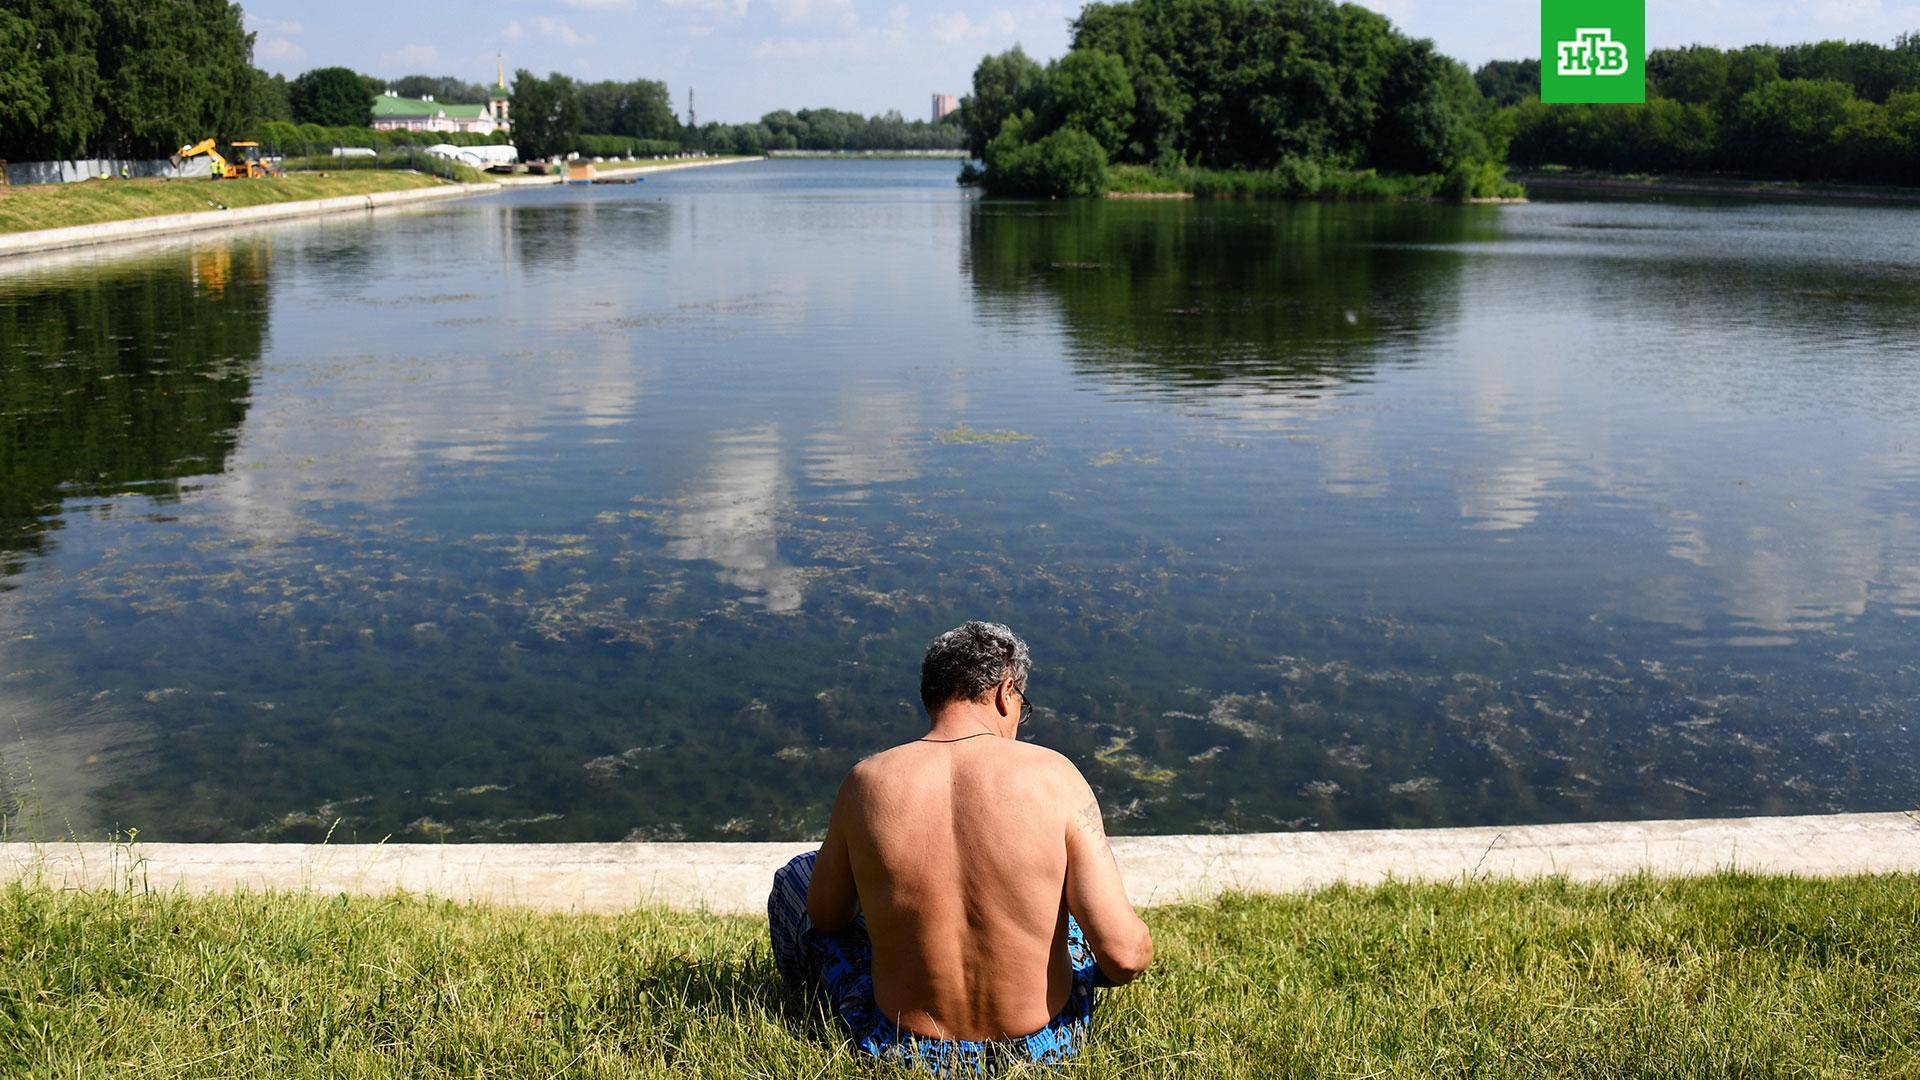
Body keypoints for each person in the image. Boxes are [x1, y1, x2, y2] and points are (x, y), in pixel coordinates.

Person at [768, 621, 1153, 1072]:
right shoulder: (1056, 777)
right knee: (1068, 907)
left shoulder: (867, 781)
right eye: (1021, 706)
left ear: (932, 697)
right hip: (1041, 1048)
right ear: (1005, 693)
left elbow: (827, 916)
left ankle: (802, 1000)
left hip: (903, 1049)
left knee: (799, 874)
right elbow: (1125, 956)